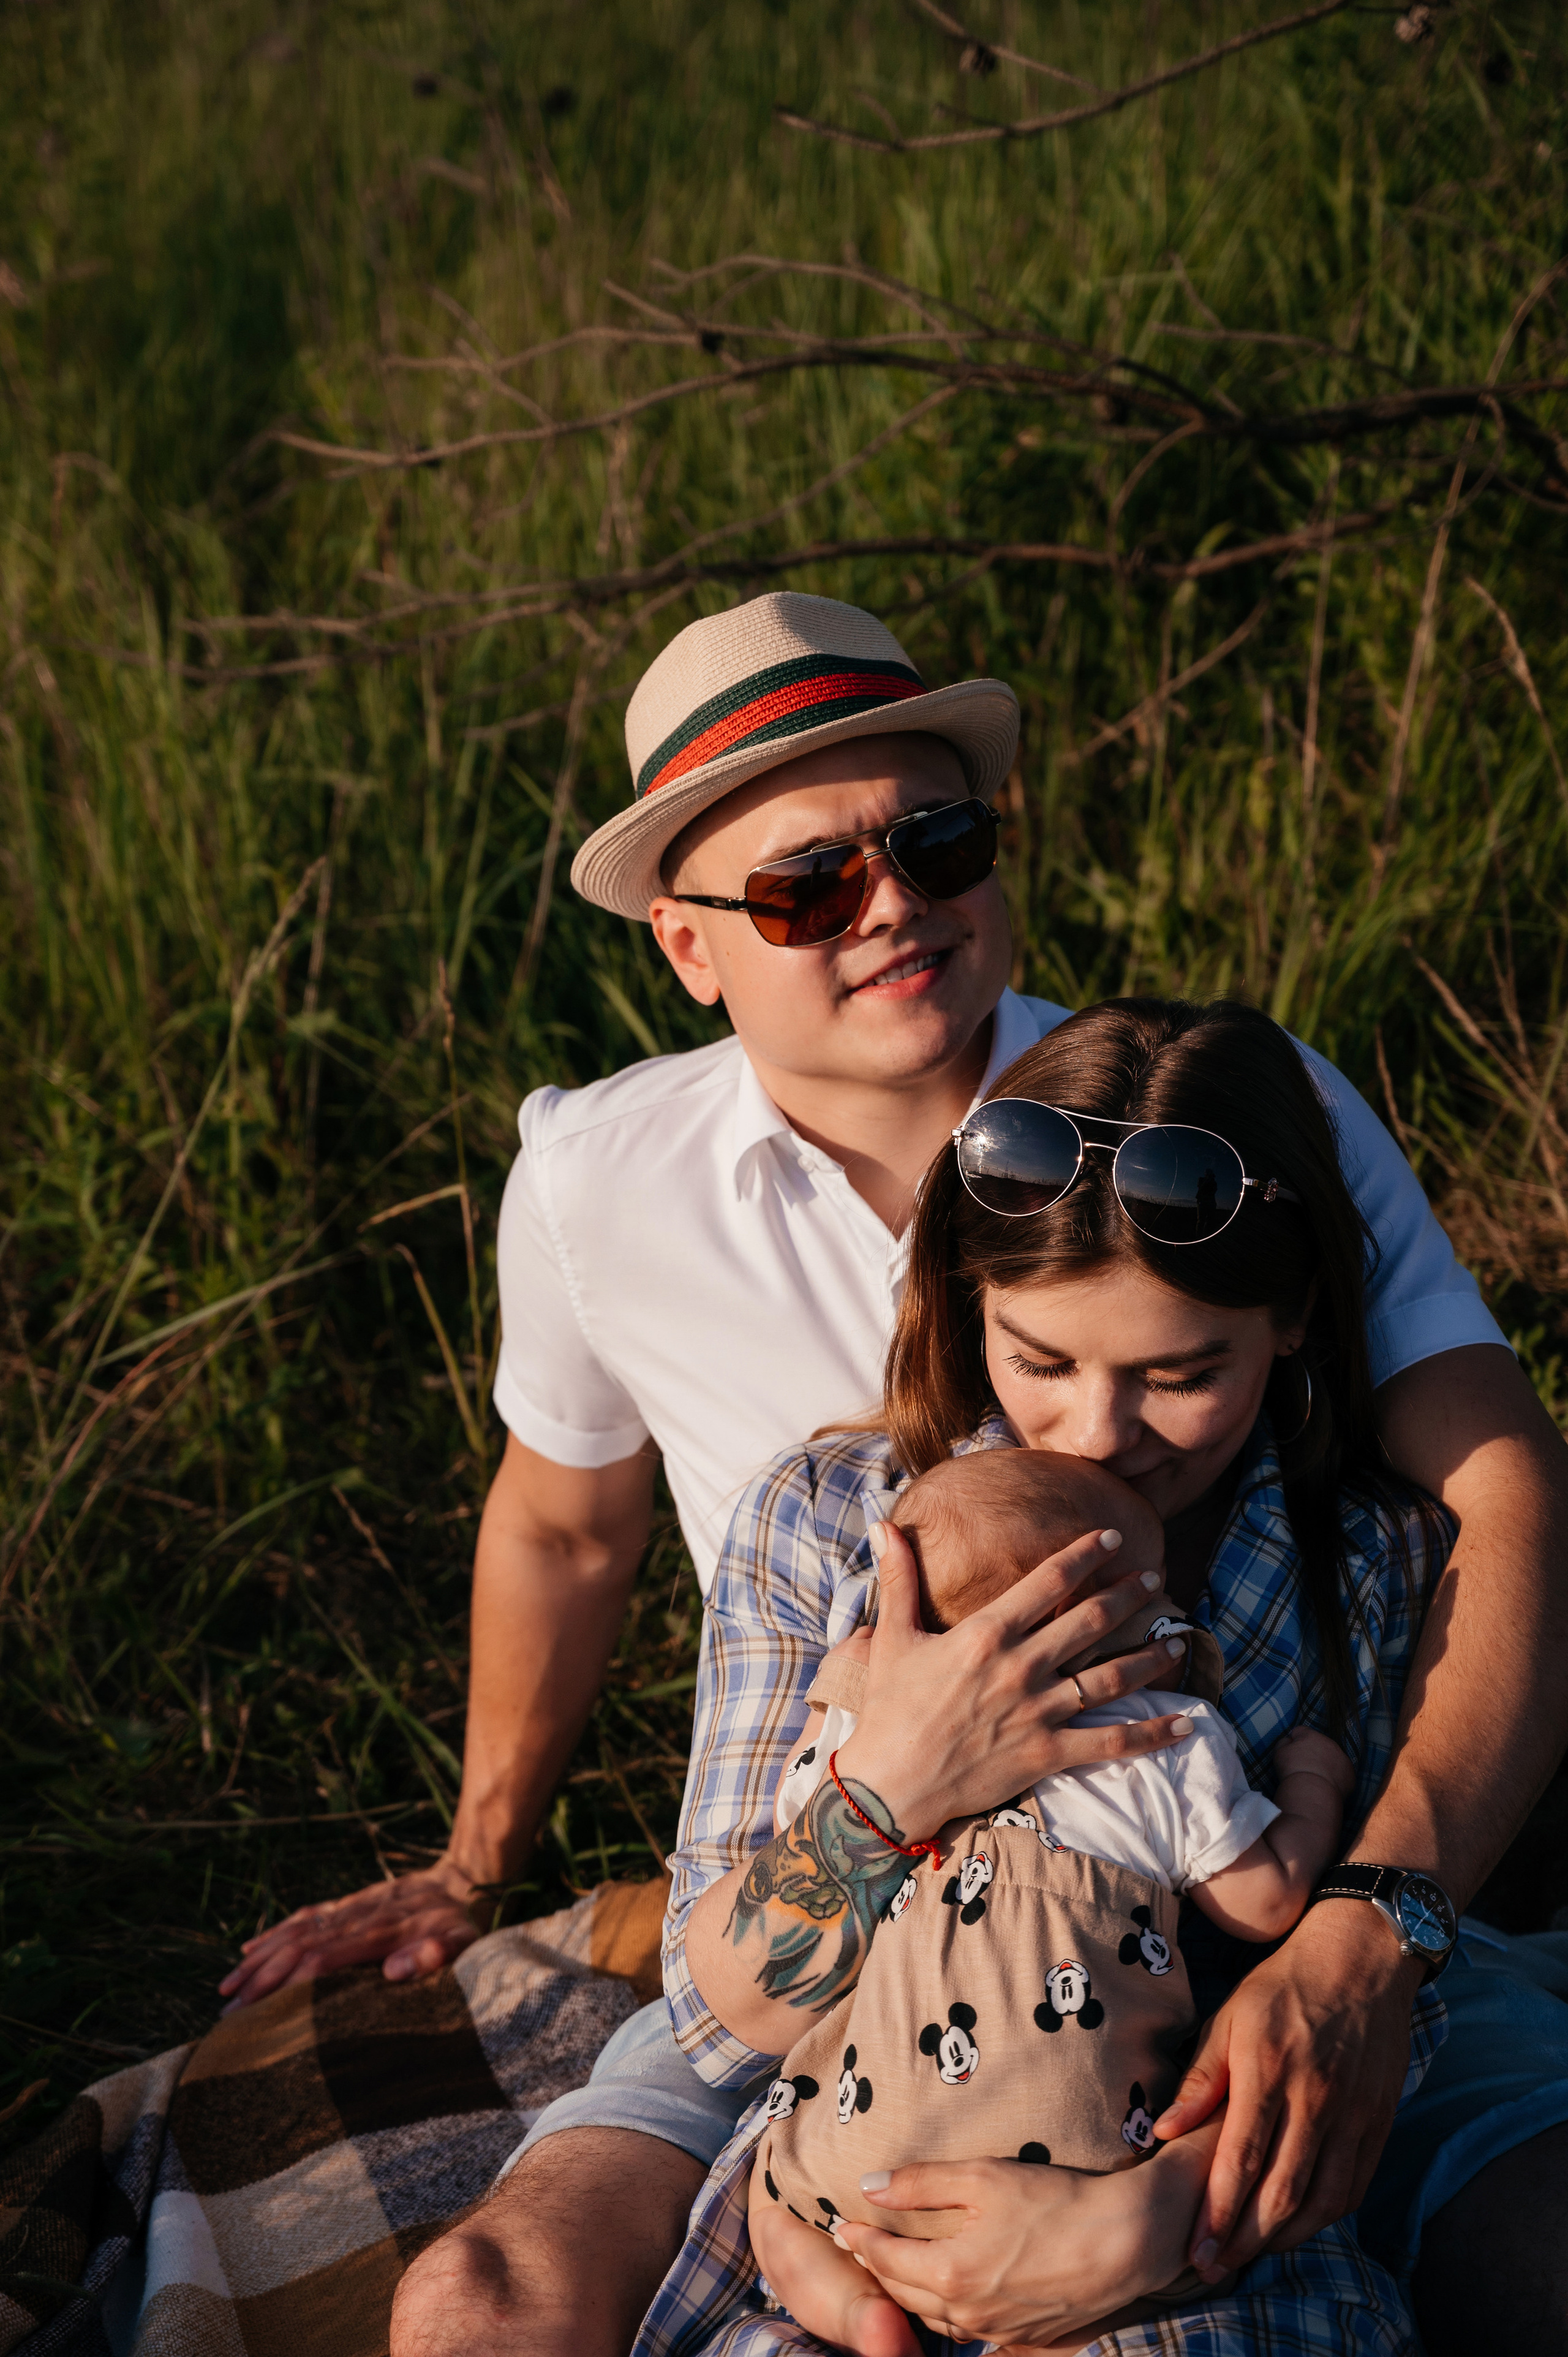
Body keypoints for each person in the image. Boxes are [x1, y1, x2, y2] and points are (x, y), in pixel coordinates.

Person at [206, 593, 1568, 2356]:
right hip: (822, 1872)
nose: (896, 904)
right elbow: (563, 1520)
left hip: (1269, 1937)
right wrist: (480, 1863)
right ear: (693, 944)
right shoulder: (602, 1186)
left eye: (935, 840)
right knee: (480, 2304)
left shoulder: (1220, 1124)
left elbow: (1507, 1495)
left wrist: (1373, 1931)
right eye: (804, 886)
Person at [650, 997, 1457, 2356]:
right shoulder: (828, 1522)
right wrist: (893, 1783)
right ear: (968, 1304)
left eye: (1180, 1371)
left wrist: (1149, 2221)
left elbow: (1369, 2006)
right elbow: (715, 2024)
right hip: (863, 2210)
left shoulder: (1357, 1559)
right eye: (1038, 1358)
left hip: (1203, 2226)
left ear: (1294, 1314)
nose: (1100, 1430)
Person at [747, 1448, 1364, 2355]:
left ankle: (861, 2315)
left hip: (861, 2162)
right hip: (1079, 2162)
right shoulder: (1160, 1735)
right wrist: (1314, 1791)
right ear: (1114, 1621)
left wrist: (850, 1695)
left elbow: (796, 1820)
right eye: (1160, 1596)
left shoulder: (874, 1735)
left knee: (770, 2203)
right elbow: (1265, 1903)